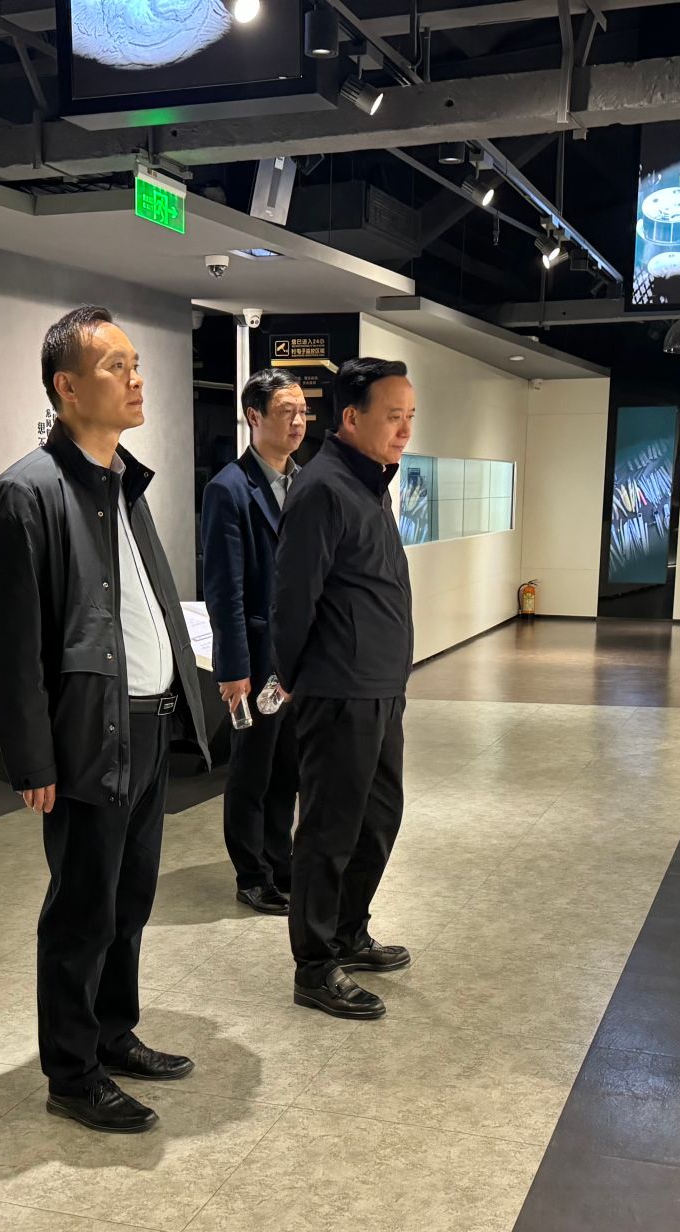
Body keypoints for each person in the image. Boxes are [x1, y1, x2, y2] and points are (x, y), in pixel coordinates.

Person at [0, 305, 209, 1134]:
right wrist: (31, 758)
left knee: (129, 897)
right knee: (82, 908)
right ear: (66, 388)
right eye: (116, 367)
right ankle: (72, 1072)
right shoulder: (26, 493)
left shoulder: (122, 485)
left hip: (146, 724)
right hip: (86, 734)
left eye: (136, 364)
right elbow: (8, 642)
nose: (136, 379)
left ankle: (113, 1032)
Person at [271, 356, 417, 1021]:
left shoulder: (371, 484)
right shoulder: (323, 489)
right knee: (328, 832)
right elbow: (292, 600)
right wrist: (300, 680)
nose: (404, 430)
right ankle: (314, 965)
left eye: (410, 417)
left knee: (378, 818)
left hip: (382, 688)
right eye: (394, 417)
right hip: (339, 690)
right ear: (352, 418)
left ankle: (348, 931)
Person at [202, 368, 308, 915]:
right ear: (254, 416)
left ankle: (279, 859)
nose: (299, 422)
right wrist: (233, 669)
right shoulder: (229, 489)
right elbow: (225, 590)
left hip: (298, 659)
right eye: (287, 412)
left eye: (303, 411)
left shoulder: (305, 482)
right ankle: (251, 873)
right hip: (257, 659)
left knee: (289, 767)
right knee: (252, 770)